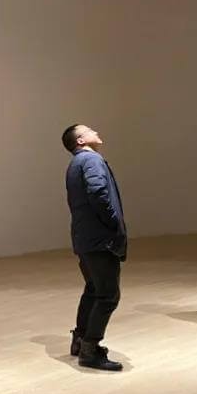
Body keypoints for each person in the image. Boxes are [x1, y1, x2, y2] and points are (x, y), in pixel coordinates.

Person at [62, 124, 126, 372]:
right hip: (100, 239)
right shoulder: (91, 160)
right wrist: (113, 223)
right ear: (80, 140)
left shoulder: (76, 163)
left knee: (93, 289)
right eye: (89, 130)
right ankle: (90, 349)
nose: (96, 131)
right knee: (108, 295)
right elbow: (98, 192)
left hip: (85, 238)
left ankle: (80, 340)